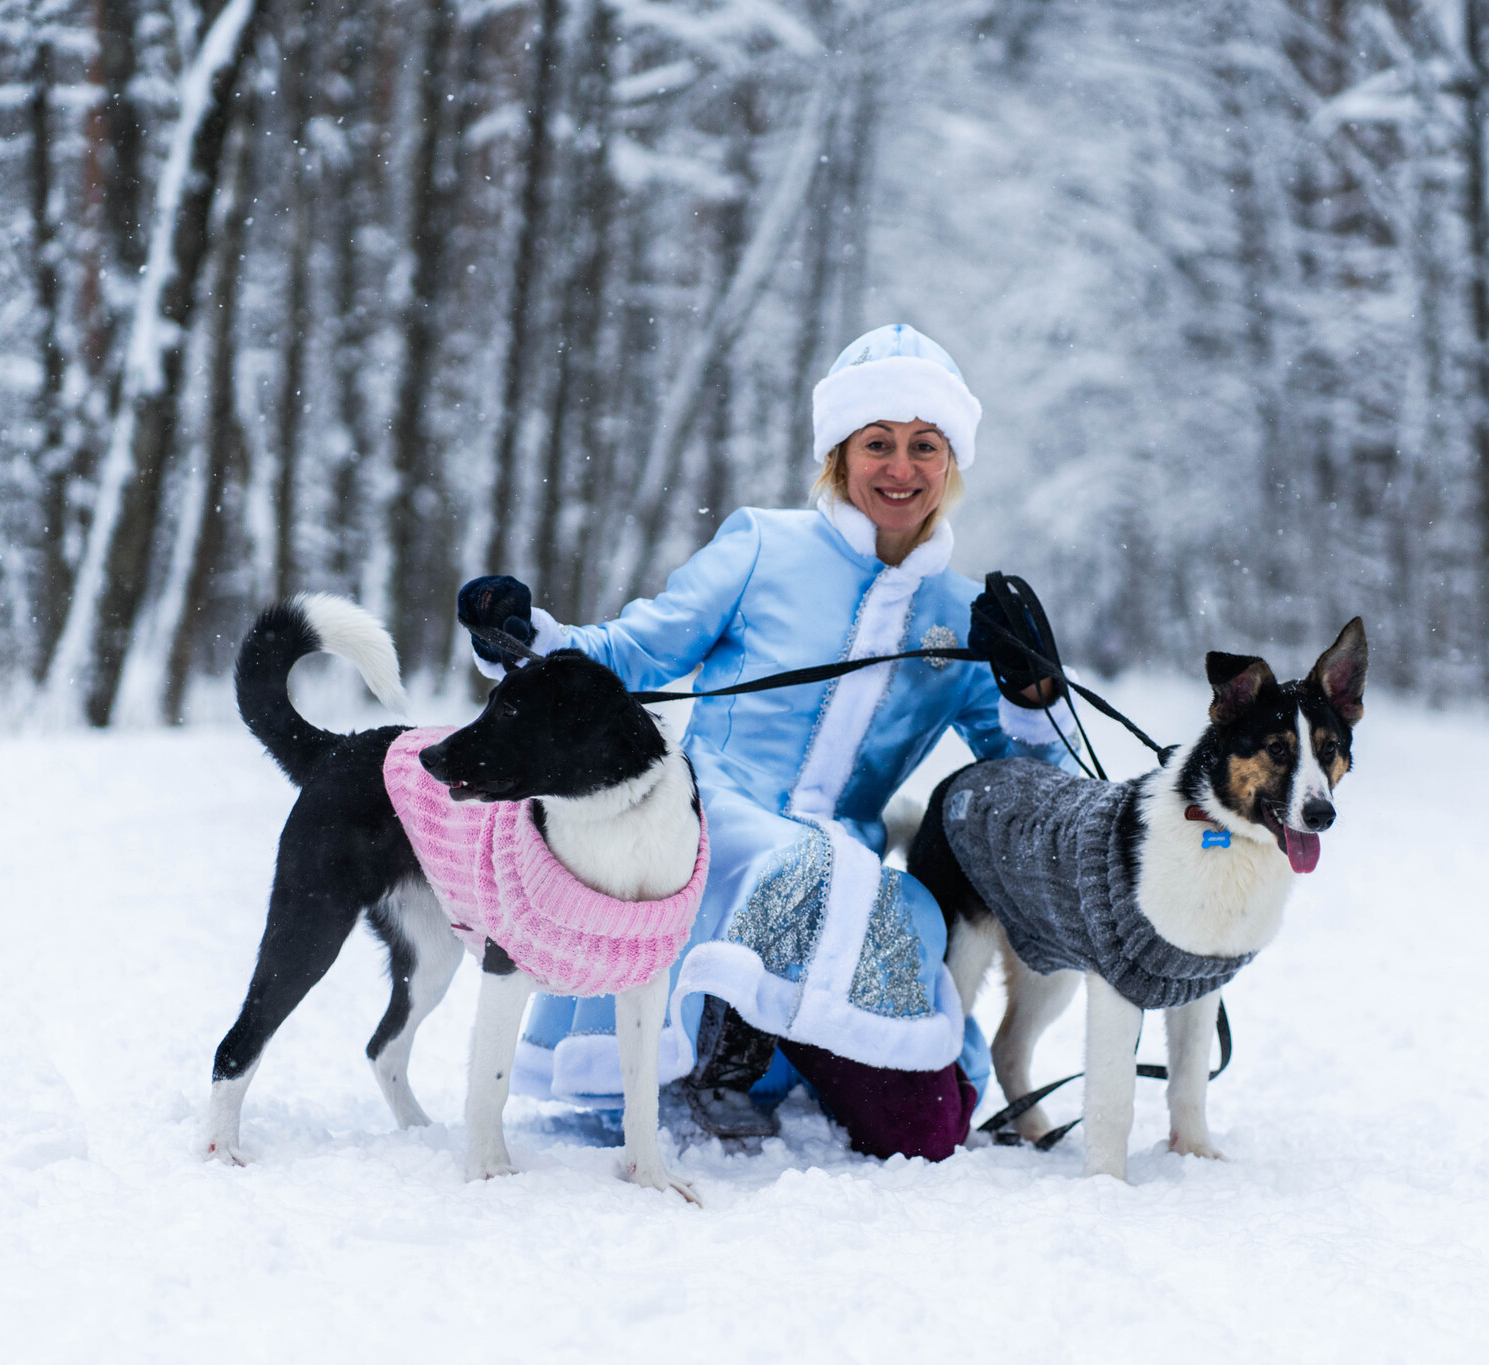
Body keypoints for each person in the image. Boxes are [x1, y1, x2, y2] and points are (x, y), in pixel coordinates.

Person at [457, 324, 1074, 1160]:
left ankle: (837, 1067)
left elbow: (1027, 788)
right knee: (795, 870)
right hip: (713, 823)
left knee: (922, 1123)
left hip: (849, 862)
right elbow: (639, 650)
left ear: (952, 461)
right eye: (878, 443)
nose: (901, 468)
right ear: (839, 454)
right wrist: (527, 635)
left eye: (925, 445)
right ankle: (713, 1060)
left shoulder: (964, 614)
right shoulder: (763, 545)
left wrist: (1032, 694)